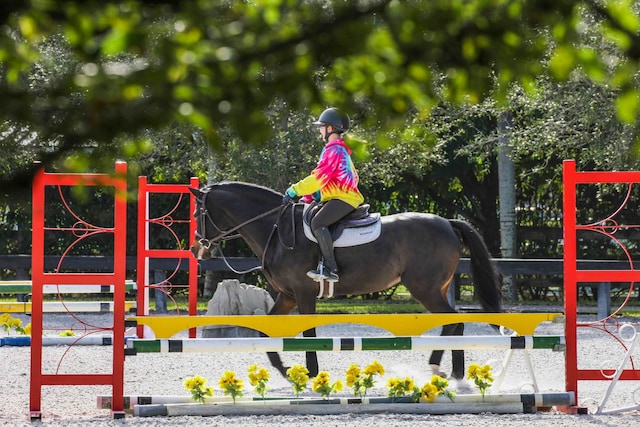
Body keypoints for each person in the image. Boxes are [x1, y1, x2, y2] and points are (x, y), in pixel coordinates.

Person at [282, 107, 364, 282]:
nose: (319, 130)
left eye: (321, 127)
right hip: (340, 197)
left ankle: (330, 268)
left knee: (318, 223)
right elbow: (350, 177)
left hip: (344, 199)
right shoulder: (339, 150)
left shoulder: (334, 150)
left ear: (330, 129)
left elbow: (318, 178)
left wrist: (294, 190)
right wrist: (315, 196)